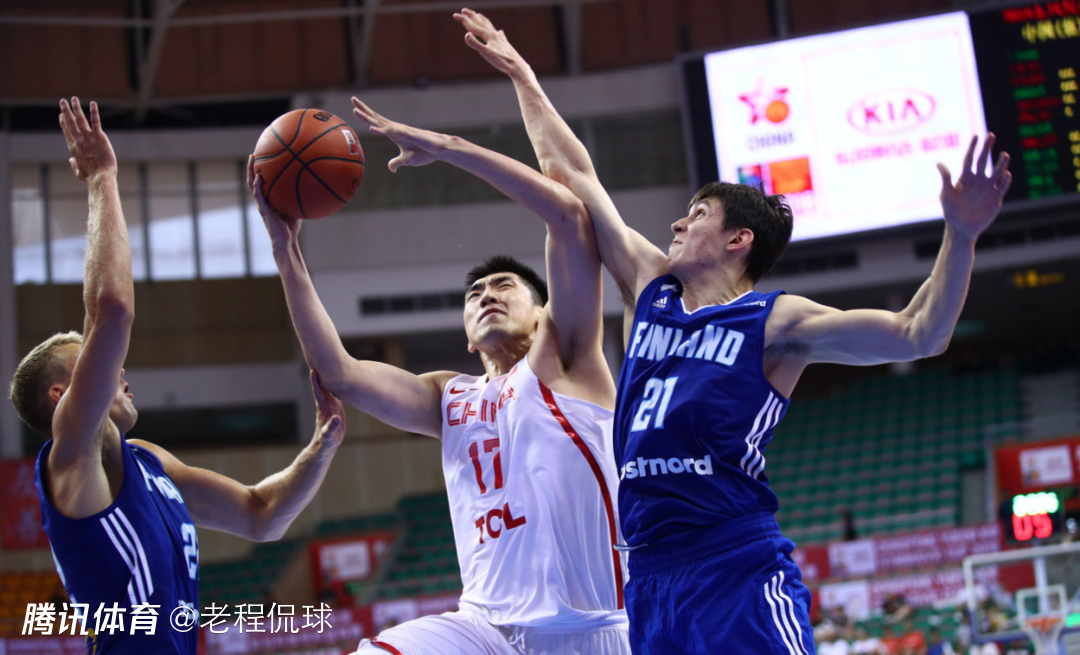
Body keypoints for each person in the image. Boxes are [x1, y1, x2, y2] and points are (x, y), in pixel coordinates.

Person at [454, 8, 1012, 654]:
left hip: (734, 565)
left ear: (738, 239)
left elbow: (919, 333)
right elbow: (573, 174)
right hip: (650, 575)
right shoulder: (652, 289)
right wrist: (522, 74)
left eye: (696, 214)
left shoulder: (775, 321)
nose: (676, 225)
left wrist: (961, 235)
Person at [250, 98, 629, 654]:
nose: (486, 295)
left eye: (504, 286)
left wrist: (450, 148)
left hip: (588, 628)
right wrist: (286, 249)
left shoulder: (569, 359)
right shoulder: (449, 396)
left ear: (543, 314)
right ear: (468, 338)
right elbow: (340, 373)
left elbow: (570, 217)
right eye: (474, 294)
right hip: (482, 628)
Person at [10, 97, 347, 655]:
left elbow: (262, 516)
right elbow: (111, 310)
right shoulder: (71, 454)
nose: (118, 369)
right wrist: (102, 177)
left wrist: (323, 443)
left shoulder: (148, 461)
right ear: (62, 395)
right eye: (94, 361)